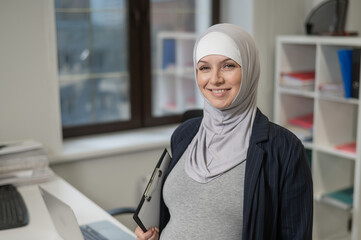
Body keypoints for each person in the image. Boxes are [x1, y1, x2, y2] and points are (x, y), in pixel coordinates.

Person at [135, 23, 313, 240]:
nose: (215, 79)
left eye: (228, 66)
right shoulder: (185, 134)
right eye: (204, 68)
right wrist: (154, 232)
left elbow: (295, 234)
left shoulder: (285, 149)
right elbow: (179, 215)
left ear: (248, 69)